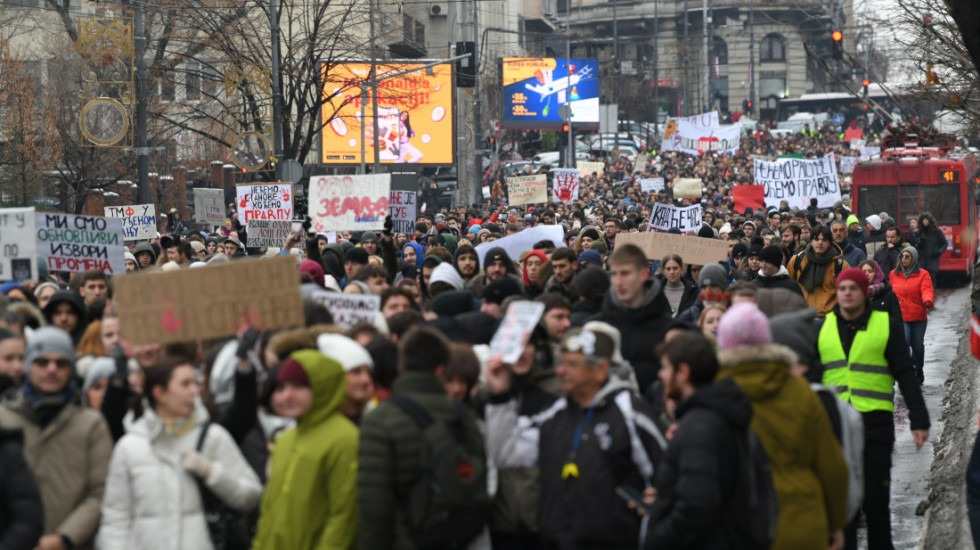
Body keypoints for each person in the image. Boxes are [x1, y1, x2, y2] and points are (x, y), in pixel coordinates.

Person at [813, 268, 930, 550]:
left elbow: (904, 370)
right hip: (836, 424)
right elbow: (813, 378)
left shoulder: (886, 324)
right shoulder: (822, 327)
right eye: (842, 289)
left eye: (854, 288)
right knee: (843, 503)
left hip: (874, 421)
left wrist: (918, 416)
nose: (847, 293)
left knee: (876, 498)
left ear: (865, 292)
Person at [715, 303, 848, 550]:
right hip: (802, 523)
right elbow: (831, 466)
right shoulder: (800, 391)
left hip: (738, 525)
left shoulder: (714, 395)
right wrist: (836, 522)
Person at [97, 356, 263, 550]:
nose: (195, 391)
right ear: (160, 393)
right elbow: (116, 518)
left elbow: (251, 496)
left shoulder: (212, 437)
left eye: (196, 383)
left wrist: (211, 472)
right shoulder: (130, 447)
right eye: (185, 384)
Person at [358, 327, 487, 550]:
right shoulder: (463, 416)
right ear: (441, 370)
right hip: (458, 539)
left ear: (401, 367)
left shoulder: (380, 420)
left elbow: (374, 508)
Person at [537, 326, 665, 549]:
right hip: (558, 541)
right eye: (561, 362)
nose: (561, 371)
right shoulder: (555, 413)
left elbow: (665, 472)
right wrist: (501, 396)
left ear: (600, 369)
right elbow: (509, 453)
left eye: (572, 364)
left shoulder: (628, 410)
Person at [0, 327, 113, 550]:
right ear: (28, 365)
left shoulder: (91, 425)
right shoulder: (3, 418)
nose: (51, 369)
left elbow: (101, 492)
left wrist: (65, 538)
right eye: (42, 362)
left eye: (61, 363)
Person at [645, 331, 752, 549]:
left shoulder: (700, 427)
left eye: (665, 367)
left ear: (683, 372)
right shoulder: (709, 418)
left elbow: (697, 505)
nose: (660, 375)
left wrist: (659, 537)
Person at [252, 350, 360, 549]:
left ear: (322, 386)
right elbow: (269, 510)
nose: (287, 395)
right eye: (282, 387)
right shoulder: (285, 441)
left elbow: (344, 516)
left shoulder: (345, 438)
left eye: (299, 386)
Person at [483, 327, 562, 547]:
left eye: (527, 344)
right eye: (514, 344)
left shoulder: (557, 391)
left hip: (545, 522)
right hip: (499, 522)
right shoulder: (483, 394)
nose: (520, 352)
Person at [599, 244, 673, 394]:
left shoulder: (669, 331)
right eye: (614, 274)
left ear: (644, 274)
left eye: (625, 273)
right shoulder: (599, 326)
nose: (618, 282)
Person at [889, 247, 934, 385]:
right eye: (902, 256)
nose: (904, 259)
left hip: (918, 315)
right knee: (905, 342)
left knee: (918, 346)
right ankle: (906, 372)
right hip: (901, 316)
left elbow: (926, 289)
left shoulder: (923, 274)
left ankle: (918, 369)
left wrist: (927, 300)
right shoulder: (893, 274)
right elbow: (890, 291)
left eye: (907, 256)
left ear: (913, 258)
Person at [787, 224, 849, 316]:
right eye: (816, 239)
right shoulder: (797, 260)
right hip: (802, 316)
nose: (820, 243)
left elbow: (847, 293)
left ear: (829, 243)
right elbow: (789, 288)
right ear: (811, 241)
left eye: (824, 240)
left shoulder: (840, 265)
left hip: (830, 318)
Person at [915, 212, 947, 281]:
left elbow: (944, 244)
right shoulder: (919, 232)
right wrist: (920, 242)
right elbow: (915, 246)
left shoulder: (937, 232)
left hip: (933, 260)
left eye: (926, 219)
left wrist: (938, 252)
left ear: (930, 220)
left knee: (931, 281)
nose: (925, 221)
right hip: (922, 261)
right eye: (923, 219)